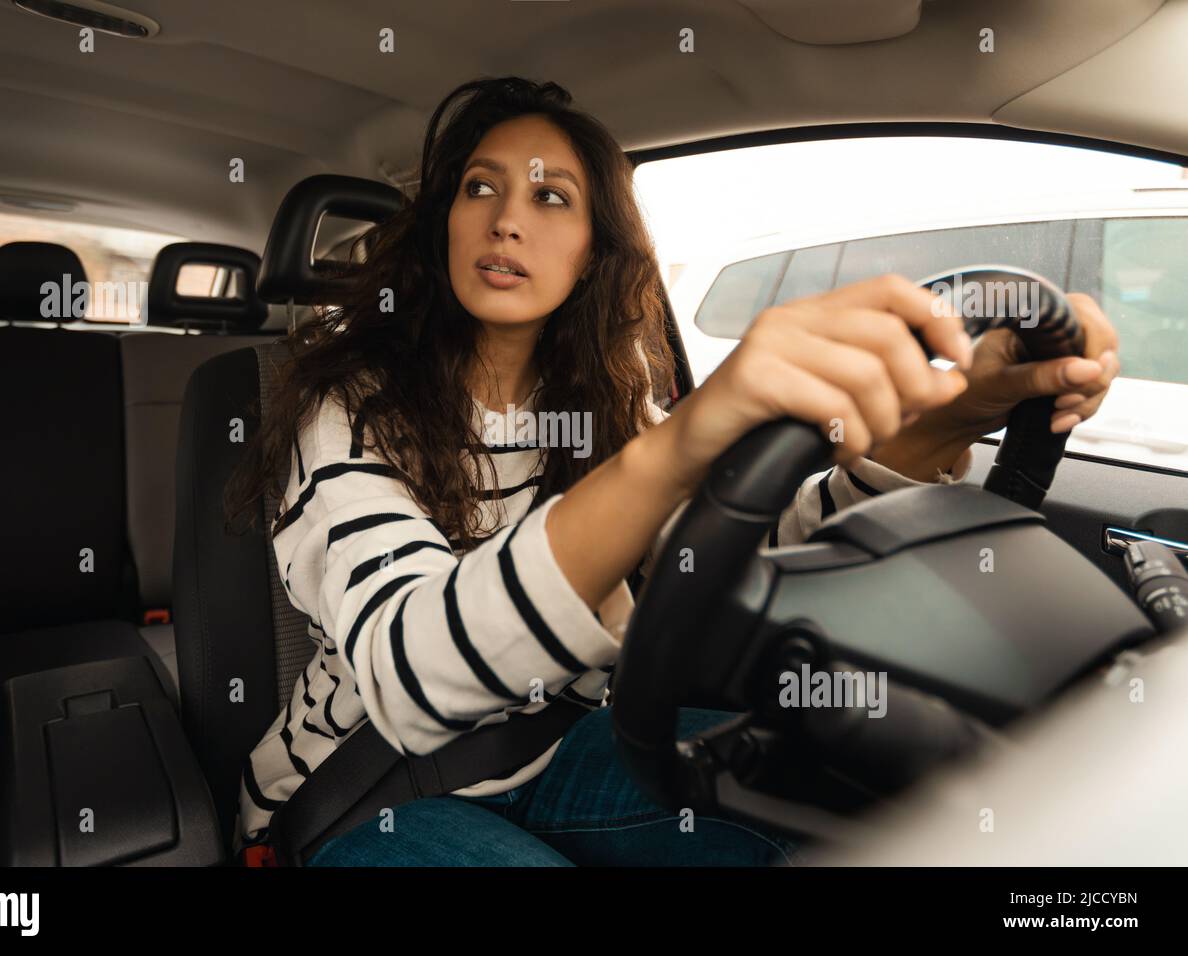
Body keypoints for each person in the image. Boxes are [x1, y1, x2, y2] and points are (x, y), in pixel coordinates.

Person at [224, 76, 1119, 866]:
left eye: (552, 198)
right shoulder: (346, 408)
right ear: (442, 228)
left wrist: (947, 421)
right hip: (375, 794)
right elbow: (413, 673)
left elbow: (746, 538)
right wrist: (684, 438)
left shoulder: (611, 408)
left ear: (593, 253)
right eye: (479, 188)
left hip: (566, 746)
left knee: (848, 802)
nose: (506, 218)